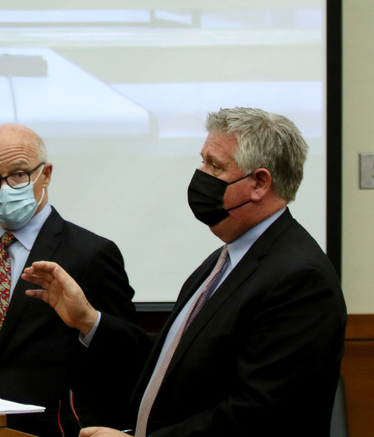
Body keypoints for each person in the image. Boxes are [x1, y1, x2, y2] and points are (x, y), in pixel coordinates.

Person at [22, 107, 347, 437]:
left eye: (215, 166)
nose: (200, 174)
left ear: (259, 183)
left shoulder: (299, 279)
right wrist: (89, 321)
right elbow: (178, 365)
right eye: (202, 160)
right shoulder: (223, 261)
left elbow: (258, 415)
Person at [0, 124, 138, 436]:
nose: (5, 187)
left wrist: (89, 321)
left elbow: (129, 351)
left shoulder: (91, 253)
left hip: (53, 428)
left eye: (18, 174)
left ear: (45, 175)